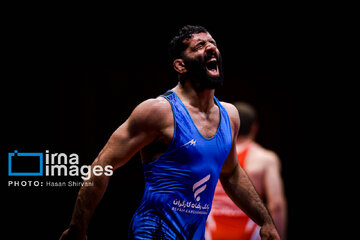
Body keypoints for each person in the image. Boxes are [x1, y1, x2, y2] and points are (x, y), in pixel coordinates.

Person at [59, 25, 280, 240]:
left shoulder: (229, 116)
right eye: (200, 45)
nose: (211, 48)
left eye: (212, 43)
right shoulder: (159, 112)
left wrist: (265, 221)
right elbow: (102, 164)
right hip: (152, 232)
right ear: (180, 66)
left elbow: (231, 174)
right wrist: (78, 228)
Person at [206, 102, 287, 240]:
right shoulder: (265, 158)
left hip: (211, 234)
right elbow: (276, 205)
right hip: (247, 235)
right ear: (254, 128)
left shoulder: (211, 153)